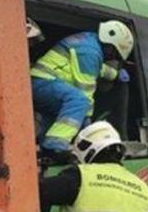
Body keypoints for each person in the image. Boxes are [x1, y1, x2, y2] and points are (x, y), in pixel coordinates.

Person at [31, 21, 134, 157]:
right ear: (110, 46)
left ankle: (46, 149)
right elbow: (85, 93)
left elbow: (97, 69)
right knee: (79, 101)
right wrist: (90, 130)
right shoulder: (89, 52)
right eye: (114, 54)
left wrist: (115, 74)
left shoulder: (88, 42)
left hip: (42, 84)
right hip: (42, 82)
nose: (111, 58)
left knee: (57, 115)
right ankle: (54, 146)